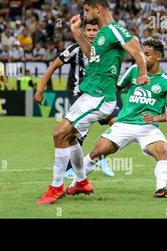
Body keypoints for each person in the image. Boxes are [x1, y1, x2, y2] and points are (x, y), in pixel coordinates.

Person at [37, 0, 148, 205]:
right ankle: (81, 182)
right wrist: (76, 30)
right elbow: (90, 55)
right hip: (89, 94)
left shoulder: (115, 30)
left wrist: (142, 73)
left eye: (87, 10)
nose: (85, 14)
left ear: (98, 8)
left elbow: (138, 51)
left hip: (99, 97)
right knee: (69, 138)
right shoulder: (102, 34)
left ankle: (56, 187)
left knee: (59, 133)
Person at [80, 39, 167, 198]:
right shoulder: (134, 70)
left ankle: (161, 189)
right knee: (97, 152)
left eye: (147, 54)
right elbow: (115, 88)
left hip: (148, 128)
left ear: (158, 57)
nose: (142, 58)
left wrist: (156, 118)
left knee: (163, 152)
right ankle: (75, 184)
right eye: (140, 54)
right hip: (124, 123)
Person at [33, 22, 118, 179]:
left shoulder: (104, 49)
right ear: (83, 32)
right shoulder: (74, 50)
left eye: (95, 30)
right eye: (89, 30)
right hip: (79, 94)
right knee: (77, 133)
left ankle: (99, 157)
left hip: (101, 95)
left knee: (117, 125)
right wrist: (41, 88)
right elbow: (53, 66)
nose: (92, 33)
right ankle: (70, 168)